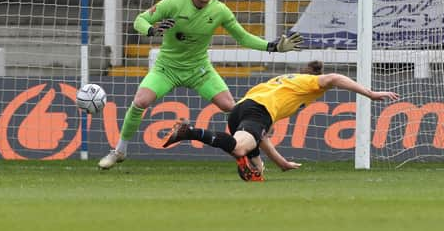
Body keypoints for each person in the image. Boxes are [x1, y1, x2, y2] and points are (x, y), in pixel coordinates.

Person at [98, 0, 304, 169]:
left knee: (233, 109)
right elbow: (139, 20)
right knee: (140, 102)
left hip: (199, 69)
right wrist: (152, 30)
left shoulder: (219, 10)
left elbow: (242, 37)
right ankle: (119, 151)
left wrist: (273, 46)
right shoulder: (173, 3)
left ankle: (251, 155)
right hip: (167, 68)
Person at [162, 60, 400, 181]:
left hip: (241, 109)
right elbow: (334, 77)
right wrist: (370, 93)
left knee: (257, 170)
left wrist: (282, 163)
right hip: (258, 111)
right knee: (240, 147)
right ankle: (188, 131)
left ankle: (247, 161)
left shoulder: (284, 83)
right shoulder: (309, 82)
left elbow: (263, 136)